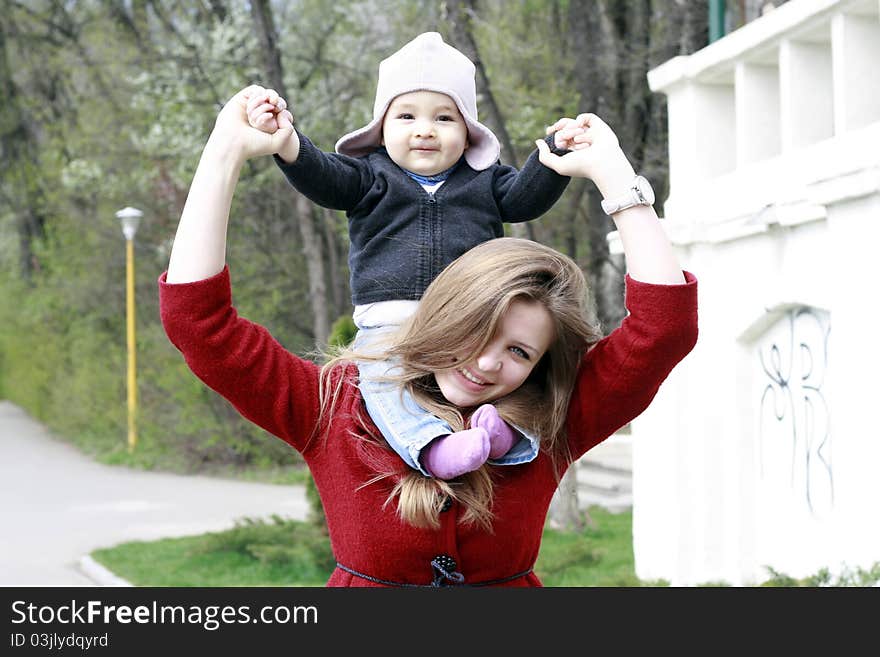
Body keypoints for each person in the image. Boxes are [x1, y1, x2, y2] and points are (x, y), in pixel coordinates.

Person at [159, 85, 698, 587]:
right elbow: (200, 326)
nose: (487, 364)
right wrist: (224, 155)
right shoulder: (334, 407)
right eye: (475, 330)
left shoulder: (554, 417)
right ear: (445, 314)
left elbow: (664, 329)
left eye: (518, 351)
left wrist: (617, 181)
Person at [243, 31, 576, 481]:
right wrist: (287, 142)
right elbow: (323, 177)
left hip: (471, 319)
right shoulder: (367, 178)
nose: (424, 129)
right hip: (389, 322)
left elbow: (524, 200)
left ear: (467, 132)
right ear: (382, 128)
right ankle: (433, 447)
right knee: (381, 382)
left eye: (443, 118)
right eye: (407, 116)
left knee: (505, 372)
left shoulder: (485, 181)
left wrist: (552, 154)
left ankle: (504, 435)